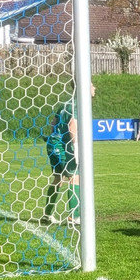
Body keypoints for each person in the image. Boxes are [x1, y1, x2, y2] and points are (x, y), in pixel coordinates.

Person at [41, 84, 95, 226]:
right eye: (91, 85)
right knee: (74, 178)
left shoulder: (65, 104)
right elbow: (72, 126)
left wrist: (55, 138)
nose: (94, 88)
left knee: (58, 179)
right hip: (65, 146)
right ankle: (74, 216)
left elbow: (53, 123)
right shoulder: (78, 105)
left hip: (53, 143)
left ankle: (47, 214)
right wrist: (76, 148)